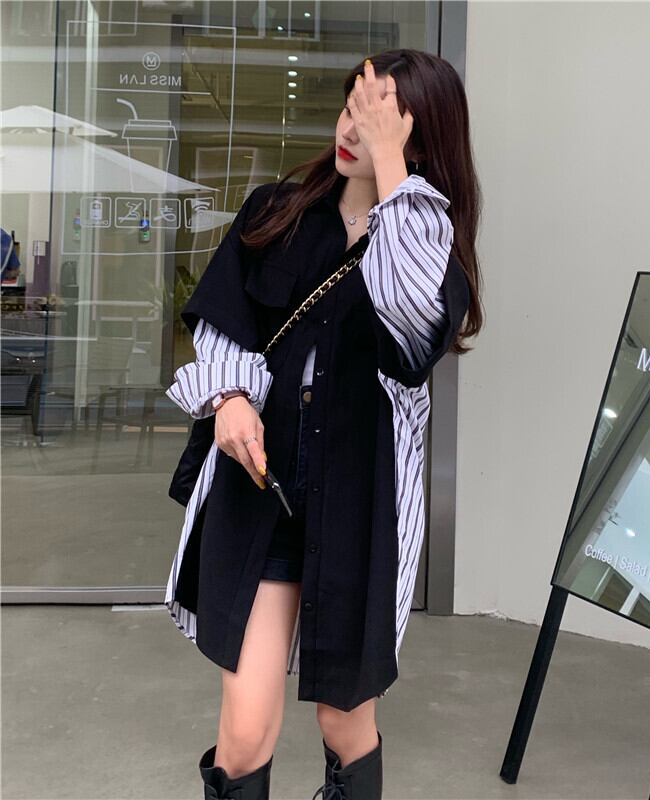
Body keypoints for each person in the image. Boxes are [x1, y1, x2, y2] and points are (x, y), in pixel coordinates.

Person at [164, 49, 483, 799]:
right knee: (245, 732)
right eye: (349, 108)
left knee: (344, 719)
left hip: (358, 500)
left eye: (375, 119)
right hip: (264, 490)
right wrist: (229, 399)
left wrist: (391, 167)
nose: (350, 129)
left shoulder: (425, 242)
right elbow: (224, 324)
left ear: (419, 139)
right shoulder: (275, 212)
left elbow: (413, 328)